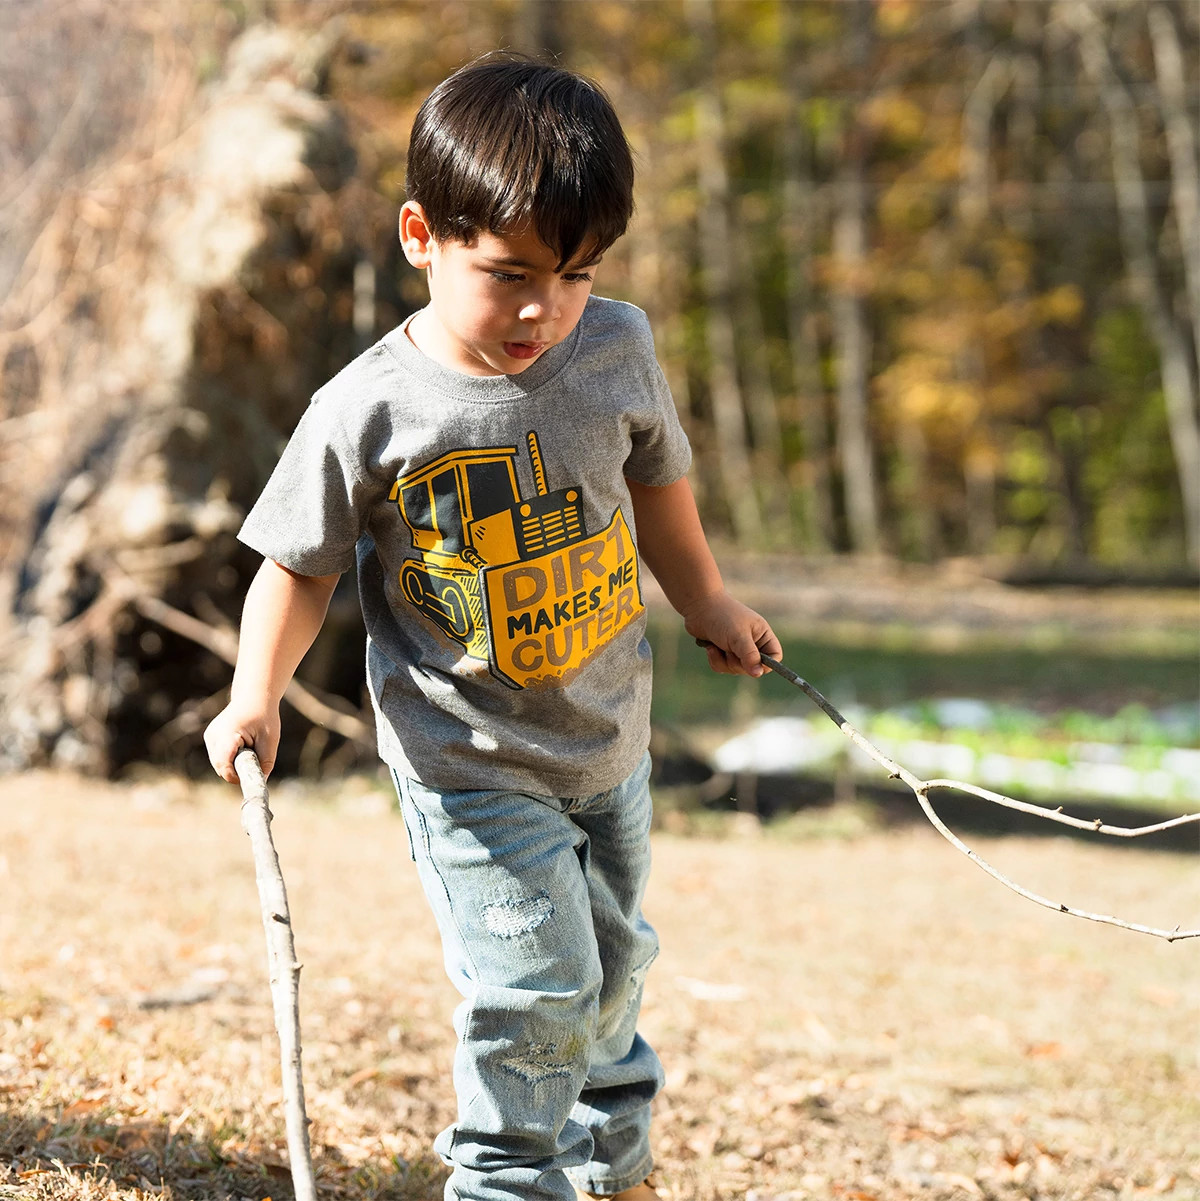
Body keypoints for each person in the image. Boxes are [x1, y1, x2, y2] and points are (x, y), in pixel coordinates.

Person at [204, 51, 781, 1201]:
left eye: (574, 274)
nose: (542, 310)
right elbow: (298, 563)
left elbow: (657, 483)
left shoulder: (615, 346)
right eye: (509, 273)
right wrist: (253, 692)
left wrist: (705, 598)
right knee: (536, 981)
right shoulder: (368, 408)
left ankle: (611, 1161)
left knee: (612, 969)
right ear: (422, 237)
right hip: (466, 760)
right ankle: (506, 1181)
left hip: (606, 734)